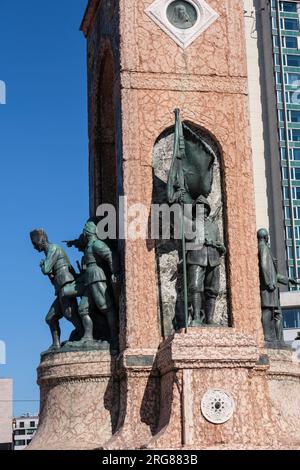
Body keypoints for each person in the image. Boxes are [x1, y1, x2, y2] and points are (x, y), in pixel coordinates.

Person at [30, 229, 83, 351]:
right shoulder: (49, 252)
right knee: (50, 318)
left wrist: (44, 267)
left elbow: (46, 269)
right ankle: (56, 344)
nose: (34, 247)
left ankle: (84, 336)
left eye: (34, 243)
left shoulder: (53, 248)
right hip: (60, 287)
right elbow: (50, 275)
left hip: (66, 284)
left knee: (70, 314)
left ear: (41, 240)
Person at [77, 221, 119, 350]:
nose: (84, 231)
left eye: (85, 229)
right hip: (89, 279)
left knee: (105, 307)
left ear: (88, 231)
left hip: (96, 276)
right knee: (82, 309)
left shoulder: (96, 244)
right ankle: (88, 336)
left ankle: (114, 337)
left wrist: (114, 272)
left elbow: (110, 255)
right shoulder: (89, 245)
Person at [187, 197, 226, 326]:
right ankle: (197, 317)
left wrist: (218, 246)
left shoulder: (214, 226)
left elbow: (222, 246)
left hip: (213, 259)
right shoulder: (190, 224)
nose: (201, 209)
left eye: (204, 207)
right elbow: (184, 241)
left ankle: (209, 319)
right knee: (195, 287)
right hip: (196, 257)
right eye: (198, 207)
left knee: (212, 290)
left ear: (207, 210)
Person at [257, 228, 298, 344]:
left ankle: (275, 338)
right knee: (268, 310)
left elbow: (273, 273)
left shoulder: (264, 247)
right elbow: (264, 266)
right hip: (268, 286)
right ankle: (268, 337)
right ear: (265, 237)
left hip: (271, 285)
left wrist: (287, 279)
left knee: (274, 312)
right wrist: (269, 282)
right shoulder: (263, 247)